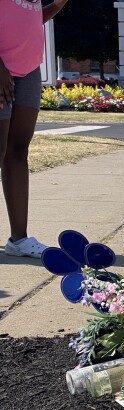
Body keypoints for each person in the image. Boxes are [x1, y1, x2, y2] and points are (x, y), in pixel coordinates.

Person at [0, 0, 69, 258]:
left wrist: (57, 6)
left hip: (28, 69)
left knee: (18, 151)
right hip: (1, 67)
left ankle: (19, 240)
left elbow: (27, 18)